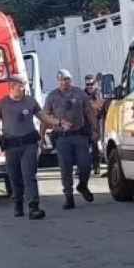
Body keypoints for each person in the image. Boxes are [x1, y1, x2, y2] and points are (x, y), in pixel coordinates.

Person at [0, 74, 69, 220]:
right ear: (12, 86)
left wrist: (60, 122)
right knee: (15, 177)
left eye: (25, 85)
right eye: (21, 85)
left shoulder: (30, 102)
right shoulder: (2, 104)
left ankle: (33, 207)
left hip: (29, 144)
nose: (24, 88)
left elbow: (44, 116)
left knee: (29, 175)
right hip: (11, 146)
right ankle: (18, 202)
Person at [40, 69, 99, 209]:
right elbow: (45, 116)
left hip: (80, 135)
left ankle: (83, 186)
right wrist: (41, 136)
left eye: (67, 79)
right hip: (62, 138)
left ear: (70, 81)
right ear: (57, 81)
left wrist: (96, 129)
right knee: (65, 168)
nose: (64, 82)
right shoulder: (52, 96)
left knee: (85, 165)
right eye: (61, 80)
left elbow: (90, 112)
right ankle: (68, 197)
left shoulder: (80, 93)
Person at [84, 74, 105, 175]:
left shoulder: (98, 94)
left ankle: (96, 166)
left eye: (91, 84)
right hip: (85, 124)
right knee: (83, 148)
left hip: (96, 122)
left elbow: (101, 106)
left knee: (96, 146)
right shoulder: (82, 94)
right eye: (88, 84)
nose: (90, 86)